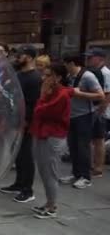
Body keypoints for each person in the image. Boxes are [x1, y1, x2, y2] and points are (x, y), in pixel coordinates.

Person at [30, 63, 74, 219]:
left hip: (52, 136)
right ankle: (48, 202)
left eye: (48, 75)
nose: (44, 78)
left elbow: (41, 111)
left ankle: (52, 206)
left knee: (50, 172)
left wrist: (42, 96)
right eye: (44, 74)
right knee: (43, 170)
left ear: (58, 77)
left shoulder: (61, 95)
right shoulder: (51, 92)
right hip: (41, 133)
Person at [0, 45, 42, 202]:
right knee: (17, 153)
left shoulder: (35, 77)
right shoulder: (19, 75)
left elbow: (33, 103)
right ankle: (19, 183)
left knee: (26, 154)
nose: (18, 57)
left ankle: (28, 189)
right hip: (15, 119)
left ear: (30, 57)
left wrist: (26, 121)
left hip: (26, 122)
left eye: (21, 55)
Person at [60, 54, 105, 189]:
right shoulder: (69, 77)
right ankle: (76, 173)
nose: (65, 67)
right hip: (71, 116)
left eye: (66, 64)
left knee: (83, 146)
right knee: (72, 145)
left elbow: (100, 95)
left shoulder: (87, 76)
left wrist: (80, 94)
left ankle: (85, 177)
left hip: (84, 116)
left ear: (72, 63)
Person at [84, 47, 110, 178]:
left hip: (100, 112)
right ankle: (91, 164)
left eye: (91, 57)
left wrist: (100, 111)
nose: (88, 59)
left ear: (100, 59)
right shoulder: (93, 71)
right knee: (91, 138)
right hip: (92, 110)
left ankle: (98, 167)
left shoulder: (106, 73)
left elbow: (107, 95)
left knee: (98, 139)